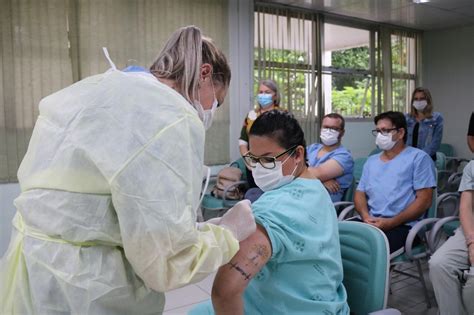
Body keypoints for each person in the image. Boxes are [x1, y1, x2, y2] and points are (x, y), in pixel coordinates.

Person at [0, 26, 256, 314]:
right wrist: (228, 233)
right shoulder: (171, 115)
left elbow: (106, 203)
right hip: (87, 290)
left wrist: (195, 230)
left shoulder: (96, 89)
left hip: (32, 269)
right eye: (217, 101)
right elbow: (167, 264)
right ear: (205, 74)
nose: (211, 110)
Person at [191, 110, 349, 314]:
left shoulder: (276, 209)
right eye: (253, 160)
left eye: (267, 160)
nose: (259, 169)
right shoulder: (315, 187)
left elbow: (224, 292)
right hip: (323, 301)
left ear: (298, 154)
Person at [354, 111, 436, 253]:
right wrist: (366, 217)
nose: (380, 135)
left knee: (366, 251)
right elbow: (360, 193)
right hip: (371, 222)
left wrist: (391, 222)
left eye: (385, 131)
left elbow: (424, 201)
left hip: (404, 226)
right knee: (337, 238)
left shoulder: (418, 158)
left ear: (400, 133)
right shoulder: (371, 161)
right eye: (378, 131)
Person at [429, 130, 474, 315]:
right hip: (471, 228)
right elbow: (466, 207)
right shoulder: (472, 166)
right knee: (439, 264)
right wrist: (471, 242)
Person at [239, 79, 281, 191]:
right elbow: (243, 141)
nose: (263, 95)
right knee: (255, 196)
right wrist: (248, 161)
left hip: (274, 166)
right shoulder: (251, 115)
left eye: (267, 92)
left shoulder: (283, 115)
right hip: (253, 167)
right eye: (261, 92)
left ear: (275, 96)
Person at [307, 113, 354, 202]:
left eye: (334, 128)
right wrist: (321, 180)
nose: (328, 131)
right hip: (303, 197)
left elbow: (317, 174)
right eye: (326, 127)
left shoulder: (344, 156)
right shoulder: (312, 148)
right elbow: (289, 166)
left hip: (322, 206)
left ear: (342, 132)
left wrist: (318, 177)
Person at [405, 87, 444, 161]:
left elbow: (435, 143)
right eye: (416, 99)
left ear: (428, 100)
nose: (418, 101)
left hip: (427, 159)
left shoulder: (436, 118)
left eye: (422, 98)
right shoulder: (406, 118)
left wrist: (419, 157)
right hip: (408, 159)